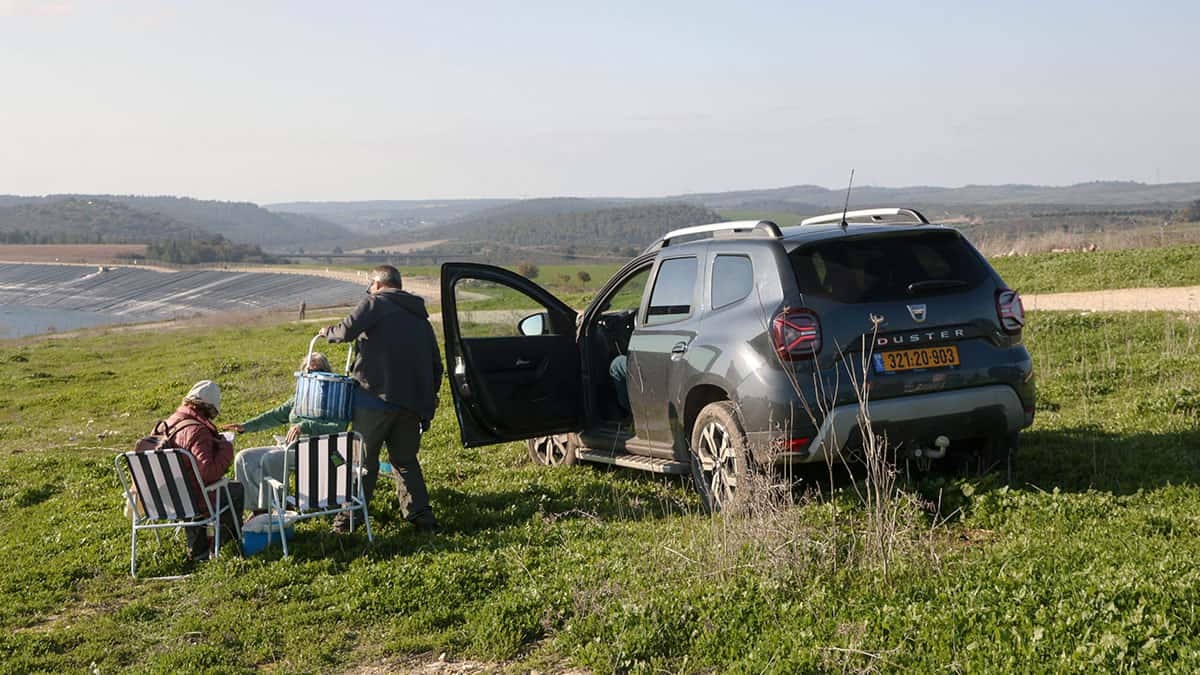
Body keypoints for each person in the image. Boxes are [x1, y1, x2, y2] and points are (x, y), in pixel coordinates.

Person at [319, 264, 443, 533]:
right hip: (411, 404)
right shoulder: (420, 316)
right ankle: (422, 520)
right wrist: (430, 396)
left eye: (369, 286)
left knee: (362, 463)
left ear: (377, 284)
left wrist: (326, 332)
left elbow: (344, 332)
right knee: (406, 462)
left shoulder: (374, 303)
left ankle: (348, 522)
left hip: (373, 399)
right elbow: (436, 363)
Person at [221, 352, 348, 514]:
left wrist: (305, 426)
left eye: (318, 370)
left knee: (271, 458)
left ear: (327, 372)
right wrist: (246, 426)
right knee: (244, 457)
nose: (312, 374)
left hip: (319, 450)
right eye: (308, 371)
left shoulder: (336, 398)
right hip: (291, 447)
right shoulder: (300, 397)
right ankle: (258, 510)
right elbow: (276, 414)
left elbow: (338, 427)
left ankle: (277, 507)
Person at [164, 380, 244, 562]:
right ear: (209, 409)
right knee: (235, 489)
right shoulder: (197, 431)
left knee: (190, 486)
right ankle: (228, 542)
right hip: (193, 500)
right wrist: (226, 447)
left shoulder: (169, 424)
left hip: (166, 498)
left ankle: (198, 547)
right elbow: (208, 473)